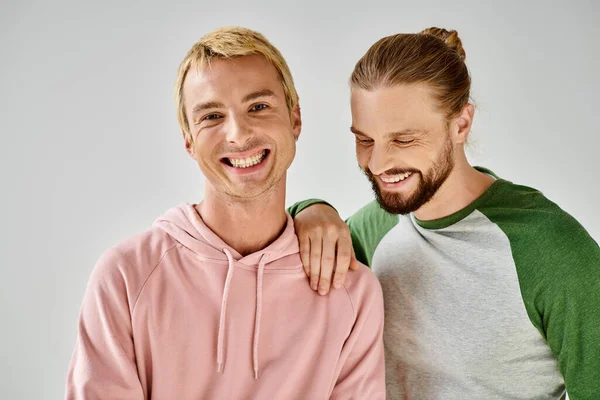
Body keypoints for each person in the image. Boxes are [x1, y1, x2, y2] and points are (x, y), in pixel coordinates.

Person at [65, 26, 386, 399]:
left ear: (295, 118)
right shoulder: (125, 276)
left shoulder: (351, 292)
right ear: (188, 139)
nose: (238, 133)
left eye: (259, 107)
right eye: (212, 116)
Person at [289, 27, 600, 399]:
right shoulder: (376, 226)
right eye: (365, 140)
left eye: (404, 139)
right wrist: (310, 210)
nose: (378, 163)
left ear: (461, 124)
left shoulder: (551, 250)